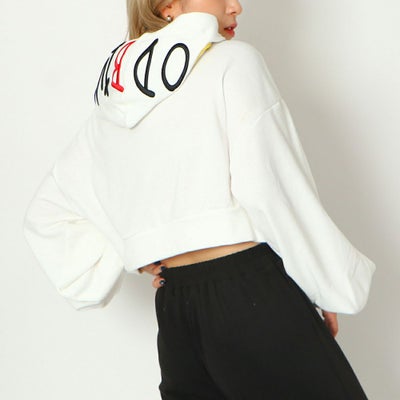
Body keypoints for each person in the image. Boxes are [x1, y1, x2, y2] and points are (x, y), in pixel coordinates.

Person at [23, 0, 376, 398]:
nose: (236, 6)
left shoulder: (116, 98)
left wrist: (139, 247)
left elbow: (48, 210)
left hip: (176, 313)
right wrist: (325, 285)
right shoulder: (234, 62)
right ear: (168, 5)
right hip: (251, 294)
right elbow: (273, 187)